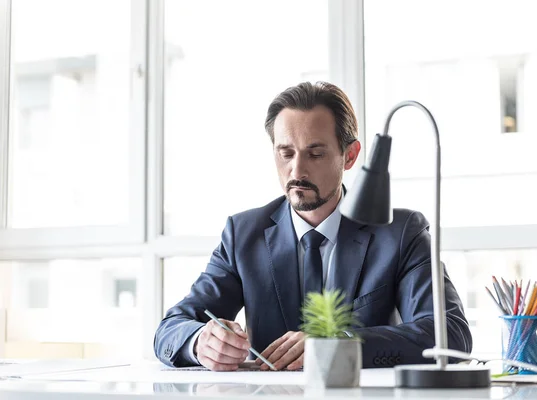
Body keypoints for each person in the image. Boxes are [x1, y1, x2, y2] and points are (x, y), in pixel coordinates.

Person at [154, 81, 472, 371]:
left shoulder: (400, 232)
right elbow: (171, 328)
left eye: (315, 153)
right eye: (285, 153)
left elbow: (452, 334)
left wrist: (341, 346)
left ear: (349, 156)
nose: (297, 170)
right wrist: (200, 343)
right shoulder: (243, 234)